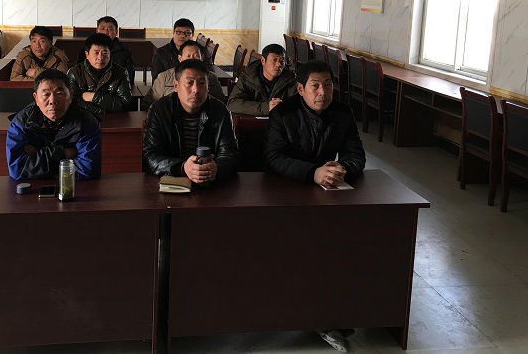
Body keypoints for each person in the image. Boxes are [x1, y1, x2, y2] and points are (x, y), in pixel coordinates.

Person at [263, 60, 365, 353]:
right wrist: (313, 172)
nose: (323, 92)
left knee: (344, 245)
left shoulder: (342, 113)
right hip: (284, 193)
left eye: (328, 85)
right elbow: (273, 158)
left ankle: (332, 312)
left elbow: (356, 153)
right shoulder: (283, 113)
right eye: (315, 86)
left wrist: (343, 167)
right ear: (300, 89)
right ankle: (307, 312)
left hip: (326, 193)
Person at [143, 59, 238, 185]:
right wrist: (183, 167)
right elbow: (150, 156)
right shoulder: (159, 110)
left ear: (208, 87)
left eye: (202, 83)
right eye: (189, 83)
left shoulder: (220, 111)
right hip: (171, 181)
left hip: (209, 182)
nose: (196, 89)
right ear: (176, 86)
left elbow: (231, 154)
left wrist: (217, 168)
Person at [6, 69, 101, 180]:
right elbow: (18, 170)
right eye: (46, 94)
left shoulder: (86, 121)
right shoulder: (21, 122)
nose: (52, 101)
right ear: (36, 98)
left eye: (59, 94)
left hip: (73, 188)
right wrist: (65, 153)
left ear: (70, 96)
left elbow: (87, 170)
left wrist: (37, 162)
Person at [141, 40, 225, 110]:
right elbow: (148, 104)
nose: (192, 59)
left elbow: (221, 104)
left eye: (196, 56)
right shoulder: (164, 78)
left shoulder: (212, 78)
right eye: (188, 56)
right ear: (180, 58)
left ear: (202, 58)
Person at [67, 32, 132, 115]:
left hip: (113, 119)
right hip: (83, 119)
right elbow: (72, 103)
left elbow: (125, 103)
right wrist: (102, 110)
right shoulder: (75, 73)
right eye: (96, 53)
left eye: (105, 53)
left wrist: (94, 97)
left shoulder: (120, 72)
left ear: (110, 54)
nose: (100, 57)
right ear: (87, 54)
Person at [227, 43, 297, 116]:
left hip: (280, 121)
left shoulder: (289, 79)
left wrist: (282, 106)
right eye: (274, 60)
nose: (278, 64)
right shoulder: (249, 76)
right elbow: (232, 103)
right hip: (252, 121)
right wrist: (267, 107)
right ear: (263, 61)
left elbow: (298, 103)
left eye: (282, 61)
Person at [75, 16, 135, 86]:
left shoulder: (124, 50)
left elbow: (129, 76)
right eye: (102, 28)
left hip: (115, 86)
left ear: (116, 32)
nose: (106, 32)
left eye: (110, 29)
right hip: (90, 86)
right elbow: (78, 72)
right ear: (97, 31)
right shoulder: (87, 48)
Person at [150, 18, 214, 81]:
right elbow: (156, 80)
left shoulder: (202, 51)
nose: (183, 36)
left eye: (187, 33)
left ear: (193, 35)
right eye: (179, 32)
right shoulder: (161, 53)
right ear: (173, 33)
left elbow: (210, 76)